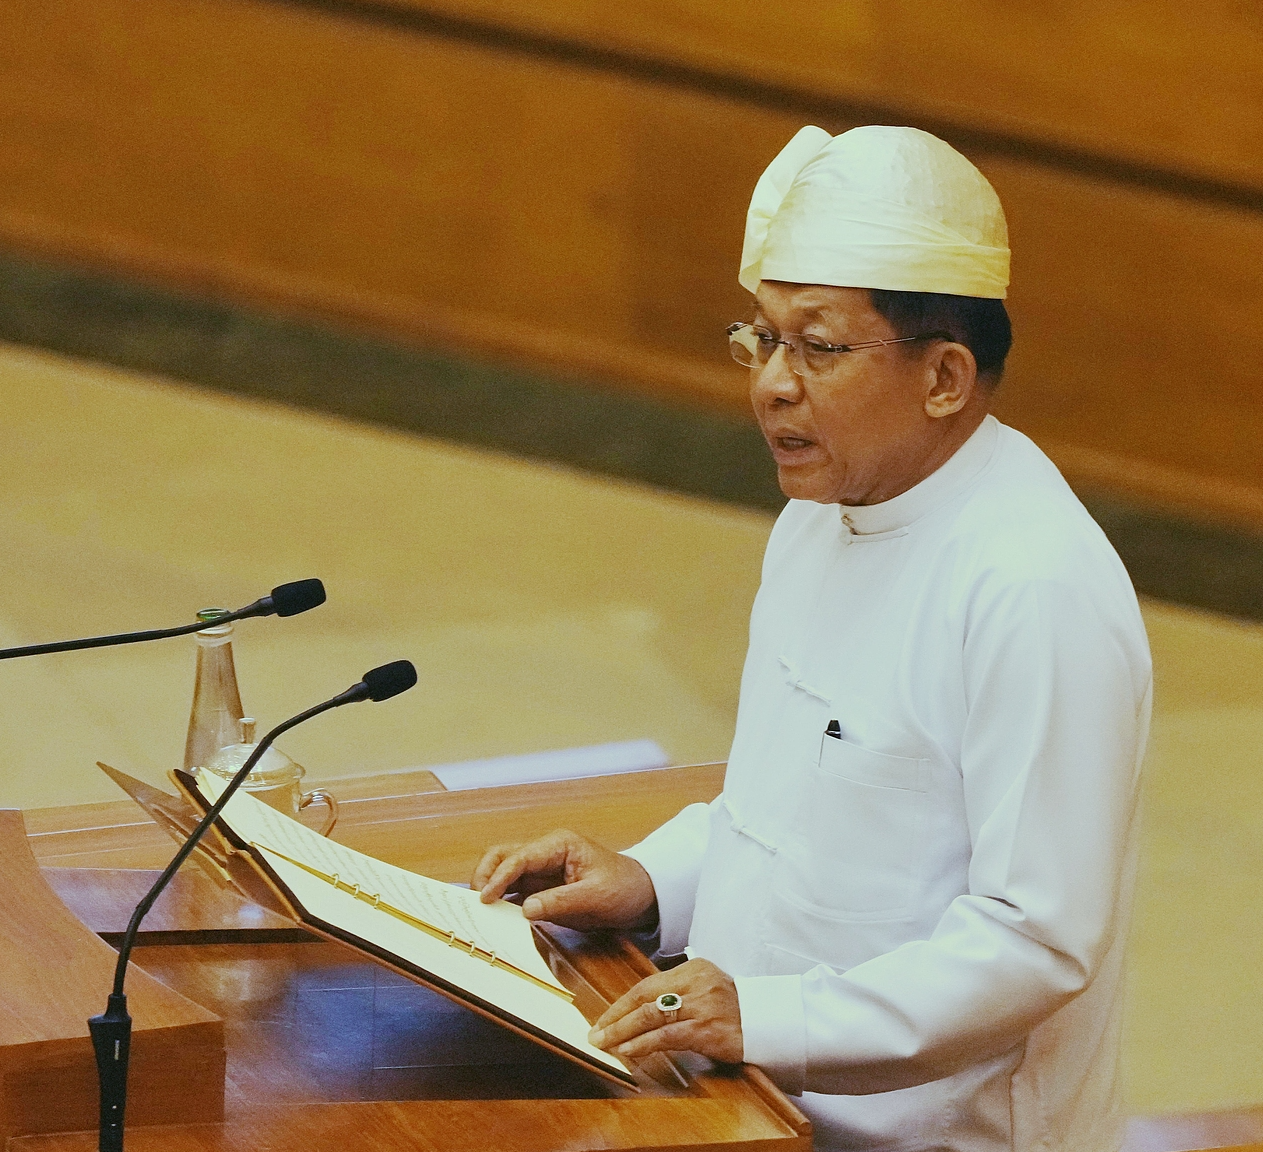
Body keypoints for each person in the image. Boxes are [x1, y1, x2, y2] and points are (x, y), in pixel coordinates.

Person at [474, 125, 1153, 1152]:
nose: (770, 385)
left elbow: (1033, 939)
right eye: (762, 339)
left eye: (818, 347)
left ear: (944, 377)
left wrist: (767, 1017)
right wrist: (652, 885)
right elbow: (786, 808)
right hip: (747, 1100)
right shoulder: (818, 517)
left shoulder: (1030, 587)